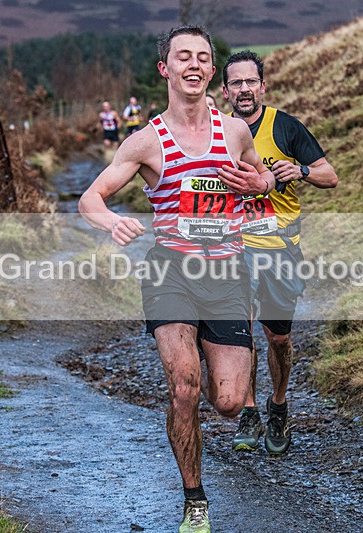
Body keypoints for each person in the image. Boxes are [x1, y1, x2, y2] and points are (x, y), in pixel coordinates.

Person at [79, 28, 275, 533]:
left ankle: (212, 367)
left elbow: (262, 177)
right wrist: (111, 221)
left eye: (203, 58)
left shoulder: (235, 132)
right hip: (171, 273)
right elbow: (90, 198)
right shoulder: (146, 141)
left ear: (211, 70)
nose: (194, 64)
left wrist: (260, 182)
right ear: (165, 68)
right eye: (182, 56)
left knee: (227, 402)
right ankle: (195, 501)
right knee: (184, 389)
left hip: (227, 274)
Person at [221, 50, 338, 455]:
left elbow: (330, 176)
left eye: (251, 81)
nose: (244, 89)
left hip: (279, 248)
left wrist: (301, 170)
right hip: (235, 248)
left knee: (278, 338)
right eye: (236, 83)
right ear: (225, 91)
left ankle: (279, 405)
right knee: (241, 334)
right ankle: (249, 410)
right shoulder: (216, 132)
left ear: (263, 87)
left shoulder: (286, 127)